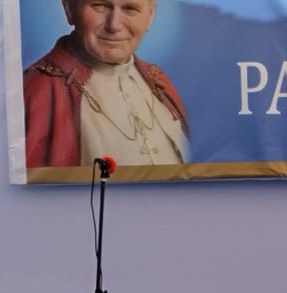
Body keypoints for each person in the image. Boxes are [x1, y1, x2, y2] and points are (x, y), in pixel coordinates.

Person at [23, 0, 189, 168]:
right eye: (100, 6)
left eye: (130, 9)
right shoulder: (36, 90)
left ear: (150, 16)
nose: (114, 25)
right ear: (69, 9)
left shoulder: (158, 81)